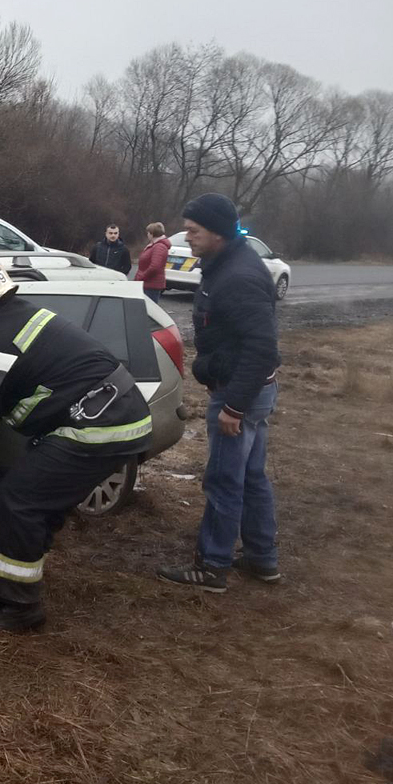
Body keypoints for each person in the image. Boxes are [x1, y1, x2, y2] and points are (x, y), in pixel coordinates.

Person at [0, 251, 152, 631]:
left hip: (97, 424)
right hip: (112, 411)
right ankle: (2, 587)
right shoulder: (16, 315)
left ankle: (21, 609)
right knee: (34, 501)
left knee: (20, 501)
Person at [157, 194, 281, 592]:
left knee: (225, 480)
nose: (187, 237)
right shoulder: (227, 263)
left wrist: (233, 407)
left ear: (218, 233)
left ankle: (212, 566)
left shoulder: (239, 276)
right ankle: (262, 559)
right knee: (251, 477)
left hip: (240, 394)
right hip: (250, 392)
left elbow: (262, 349)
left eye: (193, 231)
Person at [135, 222, 171, 302]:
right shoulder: (154, 245)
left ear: (151, 234)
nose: (147, 235)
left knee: (149, 309)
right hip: (147, 283)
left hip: (151, 285)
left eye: (148, 232)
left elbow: (155, 266)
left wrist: (142, 276)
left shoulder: (159, 247)